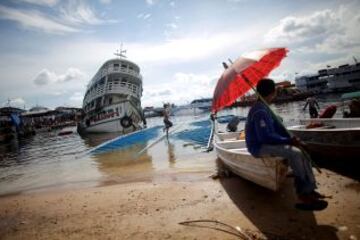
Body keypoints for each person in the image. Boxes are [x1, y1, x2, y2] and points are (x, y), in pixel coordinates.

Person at [245, 78, 327, 211]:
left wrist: (295, 140)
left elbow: (278, 130)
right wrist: (289, 142)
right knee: (295, 154)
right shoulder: (259, 111)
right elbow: (265, 137)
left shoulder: (266, 108)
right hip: (258, 146)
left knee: (302, 152)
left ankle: (310, 189)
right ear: (273, 92)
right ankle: (303, 195)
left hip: (268, 142)